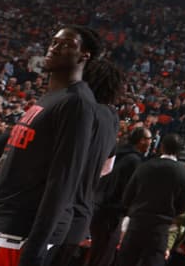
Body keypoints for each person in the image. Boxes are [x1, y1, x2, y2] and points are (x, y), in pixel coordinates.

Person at [0, 26, 100, 266]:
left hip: (20, 233)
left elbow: (64, 180)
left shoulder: (77, 103)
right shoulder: (52, 97)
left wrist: (37, 245)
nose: (55, 47)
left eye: (66, 44)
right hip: (4, 224)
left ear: (84, 56)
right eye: (54, 42)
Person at [46, 58, 125, 266]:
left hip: (52, 210)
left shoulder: (77, 107)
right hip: (80, 213)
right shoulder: (113, 117)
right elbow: (106, 168)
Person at [117, 133, 185, 266]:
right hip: (160, 231)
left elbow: (127, 197)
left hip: (136, 225)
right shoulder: (184, 174)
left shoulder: (145, 166)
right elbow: (182, 208)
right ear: (180, 151)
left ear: (161, 147)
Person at [87, 126, 152, 266]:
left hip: (96, 206)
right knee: (103, 256)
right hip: (111, 213)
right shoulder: (134, 160)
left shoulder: (117, 152)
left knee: (94, 253)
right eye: (149, 138)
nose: (151, 142)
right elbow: (130, 191)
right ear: (141, 140)